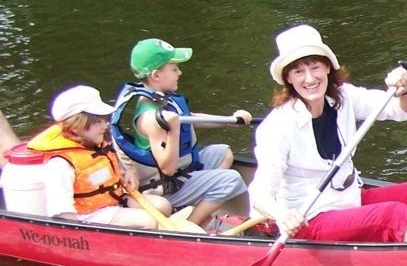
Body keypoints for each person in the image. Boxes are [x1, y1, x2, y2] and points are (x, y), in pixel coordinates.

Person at [249, 24, 407, 242]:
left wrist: (404, 89)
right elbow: (260, 195)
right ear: (288, 78)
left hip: (351, 200)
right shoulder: (278, 126)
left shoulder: (344, 97)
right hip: (310, 219)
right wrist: (283, 215)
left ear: (328, 67)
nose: (309, 79)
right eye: (298, 72)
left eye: (314, 67)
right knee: (393, 215)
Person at [110, 38, 250, 227]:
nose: (180, 73)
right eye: (174, 69)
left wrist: (228, 121)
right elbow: (167, 168)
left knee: (223, 152)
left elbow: (189, 117)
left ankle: (198, 205)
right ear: (156, 75)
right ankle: (188, 228)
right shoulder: (151, 117)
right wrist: (173, 131)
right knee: (230, 180)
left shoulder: (161, 97)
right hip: (163, 187)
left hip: (179, 173)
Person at [26, 85, 172, 228]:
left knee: (164, 206)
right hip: (88, 215)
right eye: (98, 122)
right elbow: (61, 213)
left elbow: (99, 176)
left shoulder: (95, 145)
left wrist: (124, 175)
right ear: (76, 127)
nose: (105, 126)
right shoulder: (60, 163)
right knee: (147, 221)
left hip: (112, 200)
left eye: (104, 120)